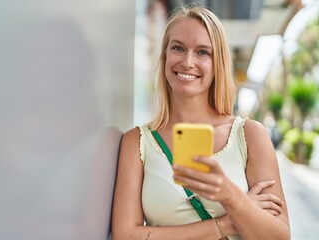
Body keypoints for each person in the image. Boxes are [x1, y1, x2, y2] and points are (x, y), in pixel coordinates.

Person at [111, 4, 290, 240]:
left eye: (203, 52)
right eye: (178, 48)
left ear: (218, 64)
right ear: (164, 56)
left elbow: (280, 236)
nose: (187, 62)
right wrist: (225, 224)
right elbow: (125, 235)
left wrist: (228, 193)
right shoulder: (136, 142)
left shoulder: (249, 135)